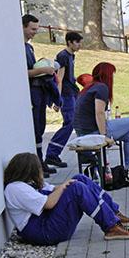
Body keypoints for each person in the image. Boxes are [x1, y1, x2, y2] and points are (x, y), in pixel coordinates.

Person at [3, 153, 129, 243]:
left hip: (47, 222)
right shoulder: (15, 188)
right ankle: (111, 227)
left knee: (79, 179)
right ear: (28, 171)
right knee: (76, 188)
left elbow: (52, 190)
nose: (40, 172)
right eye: (38, 169)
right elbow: (49, 203)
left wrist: (68, 184)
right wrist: (65, 186)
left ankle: (114, 214)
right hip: (45, 232)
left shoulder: (26, 183)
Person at [73, 62, 129, 179]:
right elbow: (99, 113)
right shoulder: (101, 88)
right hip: (92, 132)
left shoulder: (90, 87)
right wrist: (104, 136)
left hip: (83, 131)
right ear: (107, 75)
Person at [23, 14, 59, 176]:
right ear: (22, 27)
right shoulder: (19, 48)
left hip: (38, 93)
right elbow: (23, 73)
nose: (34, 33)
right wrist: (42, 70)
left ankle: (40, 162)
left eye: (37, 29)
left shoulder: (29, 47)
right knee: (35, 130)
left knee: (40, 128)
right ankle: (37, 165)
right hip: (31, 95)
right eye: (32, 29)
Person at [44, 31, 84, 169]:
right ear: (70, 42)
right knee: (69, 123)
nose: (79, 45)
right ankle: (52, 154)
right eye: (77, 42)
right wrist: (57, 99)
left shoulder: (71, 55)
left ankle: (85, 150)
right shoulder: (63, 56)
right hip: (66, 95)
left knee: (77, 121)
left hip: (72, 92)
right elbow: (59, 79)